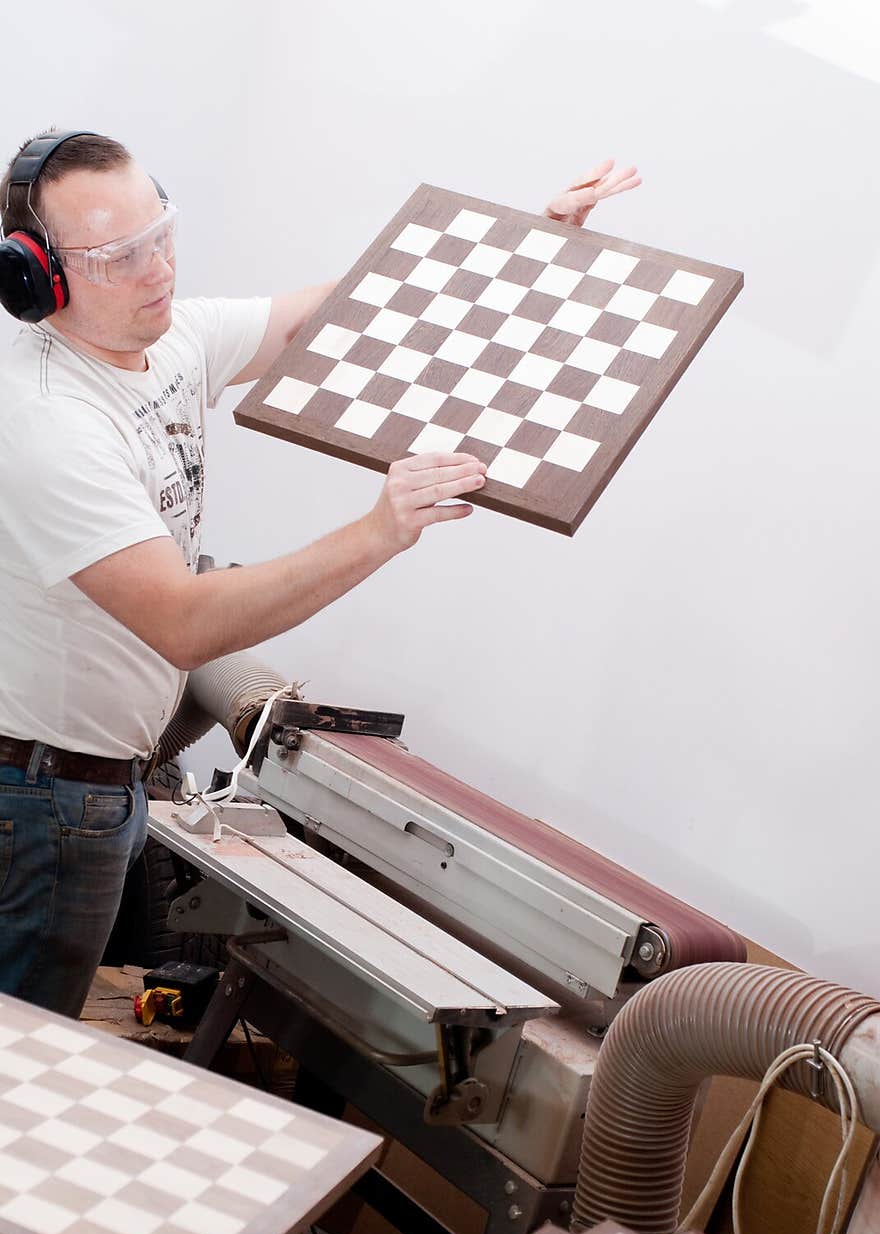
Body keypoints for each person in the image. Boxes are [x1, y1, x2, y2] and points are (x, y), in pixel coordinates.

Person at [0, 130, 640, 1019]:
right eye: (118, 255)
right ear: (40, 279)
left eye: (163, 233)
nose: (158, 269)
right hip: (37, 798)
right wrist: (380, 530)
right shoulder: (50, 424)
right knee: (18, 1070)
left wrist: (531, 236)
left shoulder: (166, 337)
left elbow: (338, 314)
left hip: (98, 781)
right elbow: (183, 624)